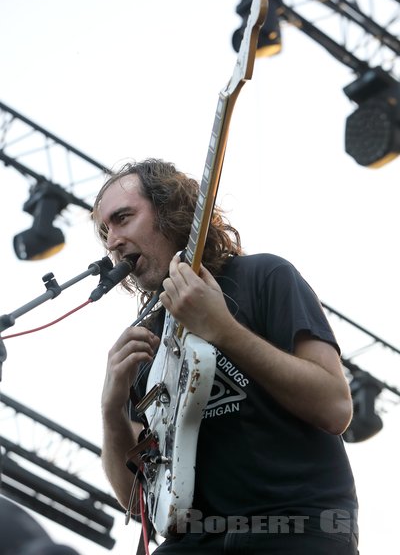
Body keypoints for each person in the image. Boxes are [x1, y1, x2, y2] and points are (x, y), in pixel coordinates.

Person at [93, 158, 359, 554]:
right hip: (195, 538)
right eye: (104, 231)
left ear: (169, 212)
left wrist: (224, 330)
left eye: (123, 218)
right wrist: (112, 409)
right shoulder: (145, 338)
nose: (112, 241)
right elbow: (137, 502)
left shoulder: (265, 276)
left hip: (297, 525)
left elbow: (335, 407)